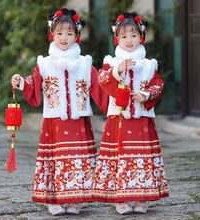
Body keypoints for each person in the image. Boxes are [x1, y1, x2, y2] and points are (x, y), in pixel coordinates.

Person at [11, 8, 108, 216]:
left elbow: (100, 88)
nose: (64, 38)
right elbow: (34, 84)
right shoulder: (44, 64)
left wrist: (117, 100)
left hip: (79, 121)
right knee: (55, 159)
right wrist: (21, 82)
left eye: (70, 33)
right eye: (60, 33)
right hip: (54, 122)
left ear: (77, 36)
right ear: (52, 34)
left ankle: (75, 200)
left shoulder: (85, 63)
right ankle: (54, 200)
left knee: (78, 159)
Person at [92, 12, 169, 214]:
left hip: (142, 119)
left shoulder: (149, 64)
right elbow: (102, 80)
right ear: (117, 38)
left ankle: (142, 198)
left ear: (141, 36)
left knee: (142, 158)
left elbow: (158, 85)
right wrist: (119, 69)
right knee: (120, 158)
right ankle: (121, 199)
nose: (129, 41)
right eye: (124, 36)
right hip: (119, 118)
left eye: (133, 36)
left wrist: (145, 94)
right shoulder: (111, 61)